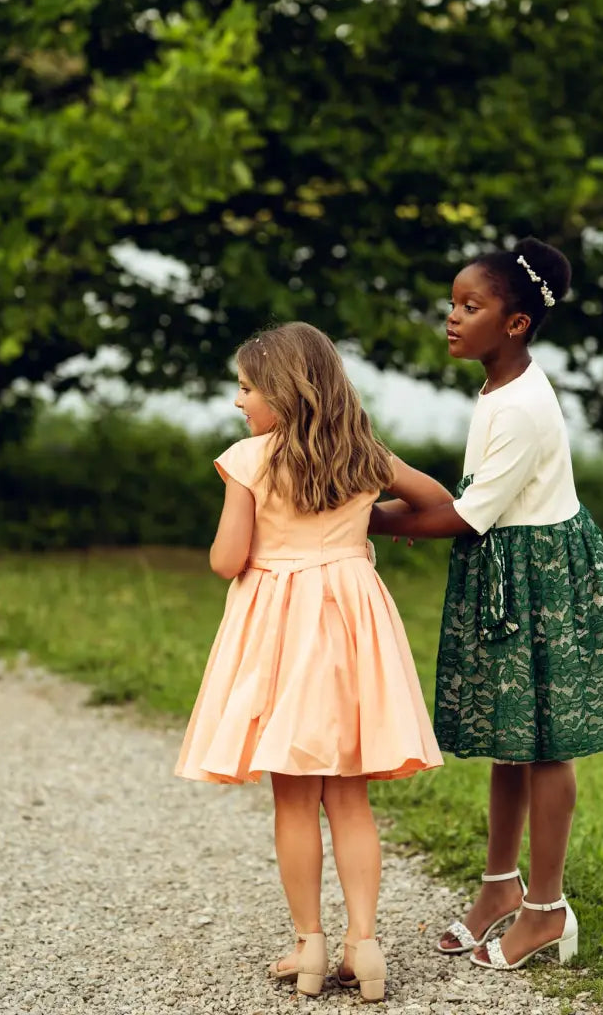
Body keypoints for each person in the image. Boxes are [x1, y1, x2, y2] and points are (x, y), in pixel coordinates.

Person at [369, 237, 603, 971]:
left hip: (541, 574)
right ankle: (499, 889)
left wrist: (375, 517)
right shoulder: (495, 388)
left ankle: (546, 910)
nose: (450, 318)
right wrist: (396, 508)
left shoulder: (522, 407)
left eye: (470, 306)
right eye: (452, 303)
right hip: (509, 562)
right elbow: (474, 502)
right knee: (513, 738)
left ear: (514, 323)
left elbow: (466, 514)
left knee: (545, 743)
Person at [175, 322, 448, 1002]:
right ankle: (366, 944)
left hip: (281, 634)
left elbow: (226, 560)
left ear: (284, 392)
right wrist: (369, 524)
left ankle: (310, 947)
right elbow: (437, 500)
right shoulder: (366, 456)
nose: (239, 402)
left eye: (246, 387)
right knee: (349, 795)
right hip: (354, 625)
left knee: (295, 797)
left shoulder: (247, 460)